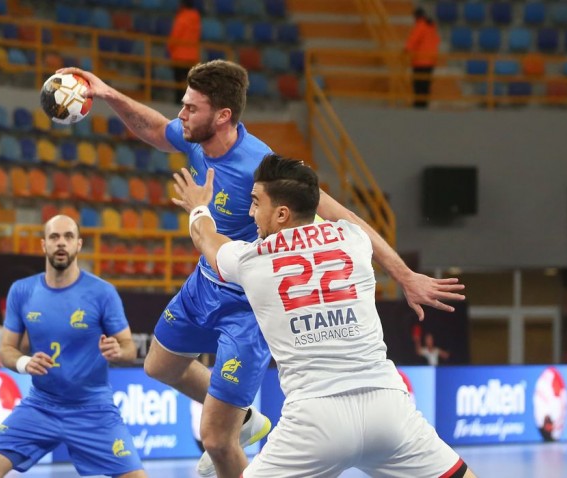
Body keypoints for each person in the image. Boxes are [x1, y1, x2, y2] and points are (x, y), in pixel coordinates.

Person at [57, 59, 466, 478]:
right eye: (183, 105)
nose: (181, 115)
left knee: (216, 439)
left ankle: (236, 429)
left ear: (223, 116)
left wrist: (404, 275)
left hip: (250, 297)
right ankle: (248, 416)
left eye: (190, 108)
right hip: (206, 281)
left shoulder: (262, 167)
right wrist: (107, 94)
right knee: (159, 366)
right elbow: (155, 131)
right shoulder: (195, 136)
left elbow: (344, 217)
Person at [172, 154, 474, 478]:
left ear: (282, 213)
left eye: (256, 203)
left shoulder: (252, 259)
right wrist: (404, 274)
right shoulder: (354, 239)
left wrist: (199, 208)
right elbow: (346, 216)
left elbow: (208, 240)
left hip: (315, 420)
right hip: (387, 408)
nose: (250, 212)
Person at [0, 215, 145, 478]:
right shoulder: (22, 291)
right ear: (44, 245)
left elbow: (129, 348)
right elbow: (7, 349)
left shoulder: (103, 292)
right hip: (41, 405)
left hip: (93, 408)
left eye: (68, 237)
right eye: (54, 237)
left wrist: (119, 351)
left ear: (78, 245)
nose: (61, 243)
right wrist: (24, 362)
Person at [405, 7, 440, 109]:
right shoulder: (431, 27)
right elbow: (436, 41)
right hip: (431, 61)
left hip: (420, 61)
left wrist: (405, 50)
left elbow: (412, 41)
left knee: (418, 84)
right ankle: (424, 104)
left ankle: (419, 105)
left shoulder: (420, 26)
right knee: (426, 84)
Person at [167, 0, 201, 104]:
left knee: (178, 83)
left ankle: (179, 103)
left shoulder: (182, 17)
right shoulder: (196, 18)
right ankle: (189, 104)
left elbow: (175, 36)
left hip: (179, 55)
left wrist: (170, 48)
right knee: (189, 83)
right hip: (192, 56)